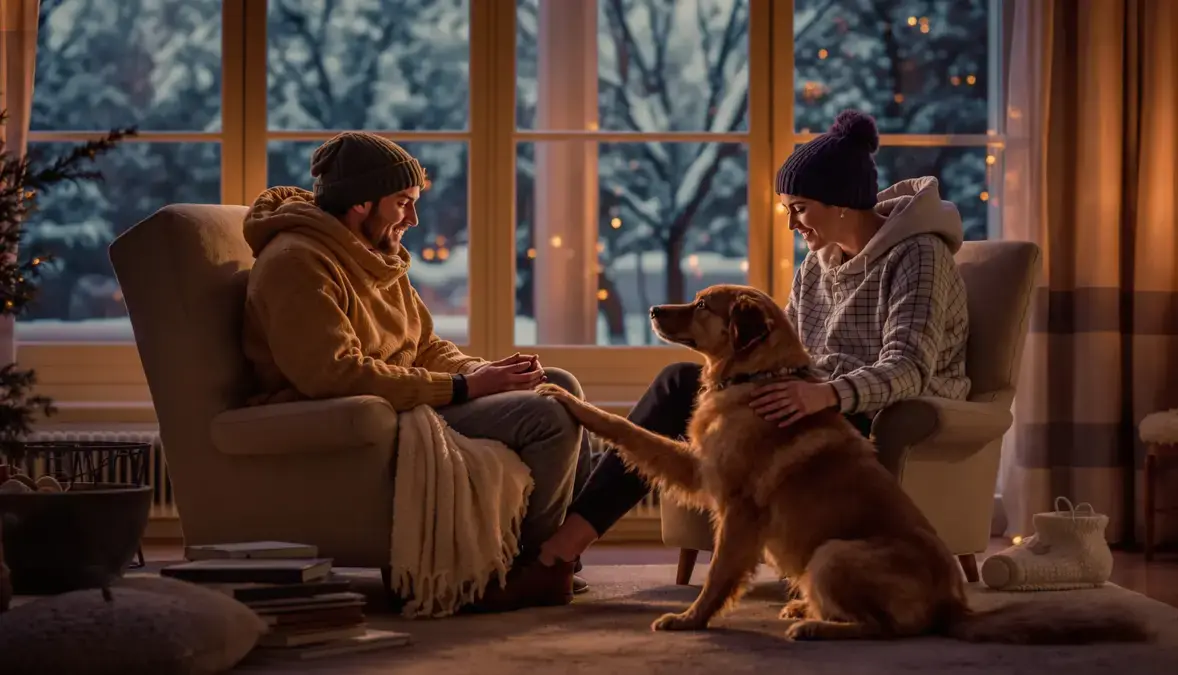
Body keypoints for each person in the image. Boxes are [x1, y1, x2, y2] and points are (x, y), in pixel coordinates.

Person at [535, 109, 972, 567]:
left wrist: (824, 394)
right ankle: (564, 549)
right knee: (676, 384)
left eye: (800, 208)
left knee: (750, 430)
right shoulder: (816, 265)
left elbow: (909, 367)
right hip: (810, 394)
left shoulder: (920, 256)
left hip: (880, 410)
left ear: (841, 202)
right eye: (789, 210)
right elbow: (778, 352)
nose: (791, 224)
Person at [239, 131, 590, 611]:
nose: (414, 218)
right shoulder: (297, 263)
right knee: (548, 418)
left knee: (560, 387)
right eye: (403, 202)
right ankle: (527, 569)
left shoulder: (376, 256)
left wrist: (487, 371)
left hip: (405, 398)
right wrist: (465, 386)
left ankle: (557, 557)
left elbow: (422, 345)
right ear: (362, 203)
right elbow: (333, 375)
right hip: (359, 413)